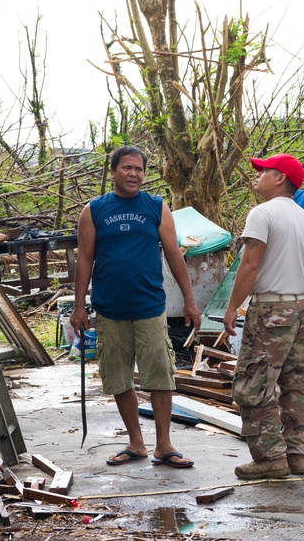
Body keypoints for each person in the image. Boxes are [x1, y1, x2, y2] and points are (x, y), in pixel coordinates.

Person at [70, 145, 201, 469]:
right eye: (127, 168)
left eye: (139, 169)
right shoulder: (94, 210)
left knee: (160, 375)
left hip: (149, 306)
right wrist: (78, 306)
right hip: (109, 308)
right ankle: (136, 443)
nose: (133, 174)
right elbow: (85, 258)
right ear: (113, 171)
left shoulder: (156, 207)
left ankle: (163, 445)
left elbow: (174, 254)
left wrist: (189, 299)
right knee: (118, 378)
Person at [222, 153, 304, 479]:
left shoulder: (262, 214)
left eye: (263, 171)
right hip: (302, 308)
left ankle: (269, 459)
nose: (257, 176)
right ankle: (297, 457)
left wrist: (233, 305)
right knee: (298, 385)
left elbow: (249, 264)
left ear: (280, 178)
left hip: (271, 308)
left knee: (255, 383)